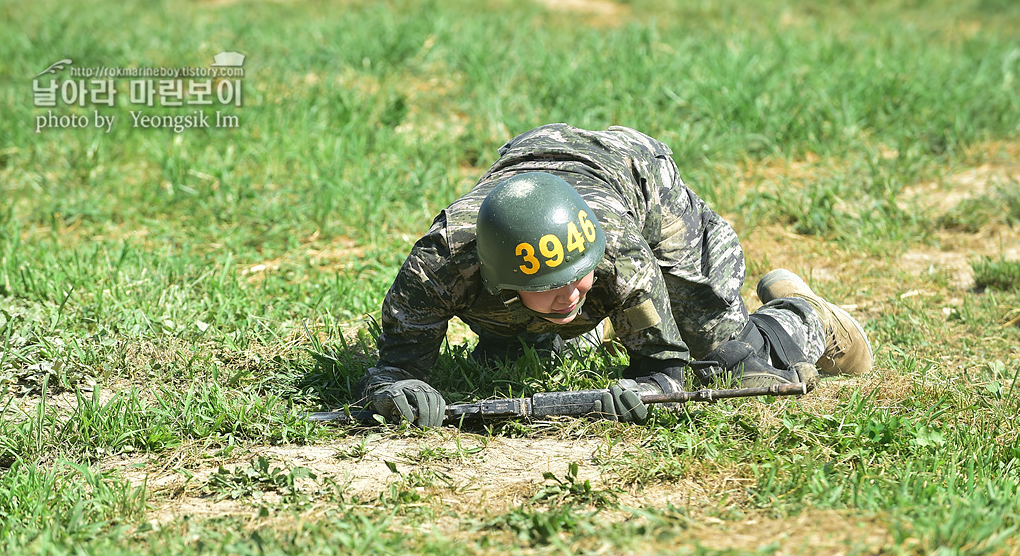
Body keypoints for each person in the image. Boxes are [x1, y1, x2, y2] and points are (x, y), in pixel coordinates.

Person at [354, 123, 873, 426]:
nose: (567, 294)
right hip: (527, 165)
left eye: (577, 279)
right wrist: (395, 390)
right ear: (503, 278)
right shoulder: (439, 265)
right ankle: (558, 330)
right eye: (545, 285)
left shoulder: (620, 256)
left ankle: (807, 315)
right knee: (511, 347)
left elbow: (664, 366)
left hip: (634, 173)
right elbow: (395, 364)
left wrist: (650, 385)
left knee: (729, 359)